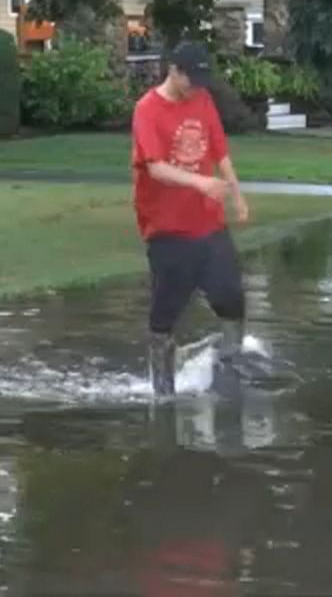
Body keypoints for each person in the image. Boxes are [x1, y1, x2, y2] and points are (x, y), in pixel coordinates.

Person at [132, 41, 251, 397]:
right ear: (174, 70)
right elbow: (154, 168)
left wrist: (237, 196)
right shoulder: (147, 110)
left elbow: (219, 151)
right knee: (166, 310)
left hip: (209, 223)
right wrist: (201, 182)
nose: (197, 87)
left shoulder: (202, 100)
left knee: (231, 296)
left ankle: (230, 370)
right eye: (191, 79)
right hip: (166, 226)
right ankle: (163, 392)